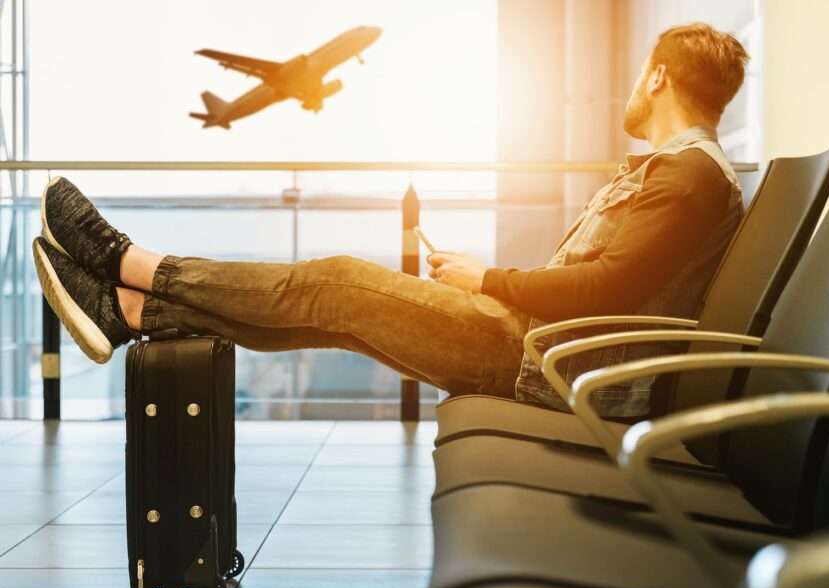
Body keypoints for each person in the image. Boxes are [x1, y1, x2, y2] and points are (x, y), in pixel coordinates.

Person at [33, 22, 749, 418]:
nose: (631, 89)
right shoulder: (683, 174)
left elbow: (607, 290)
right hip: (542, 353)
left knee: (336, 283)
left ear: (656, 76)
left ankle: (127, 263)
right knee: (338, 314)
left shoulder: (688, 175)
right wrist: (489, 284)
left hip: (543, 365)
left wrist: (490, 278)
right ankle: (130, 311)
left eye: (637, 76)